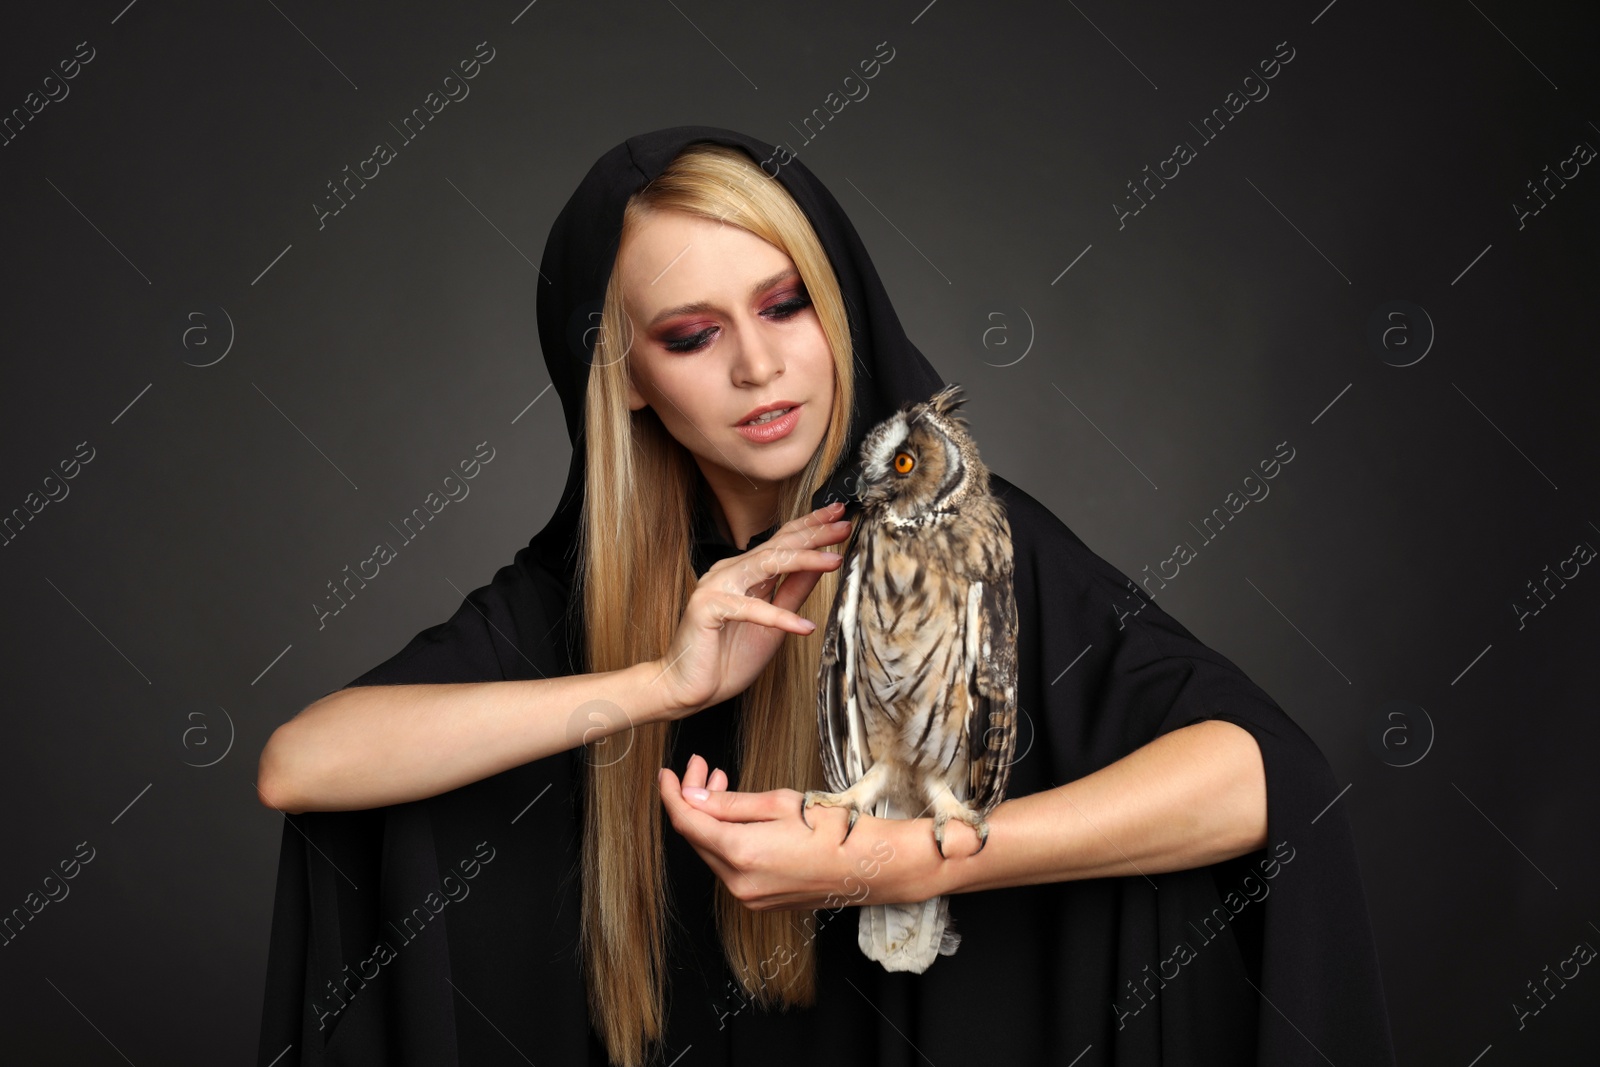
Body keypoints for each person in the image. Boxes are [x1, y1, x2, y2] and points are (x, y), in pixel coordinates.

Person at [255, 126, 1396, 1067]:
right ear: (629, 379)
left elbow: (1261, 780)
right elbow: (303, 764)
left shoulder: (966, 544)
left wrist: (895, 859)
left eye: (788, 304)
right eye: (694, 335)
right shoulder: (579, 591)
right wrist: (660, 679)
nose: (758, 368)